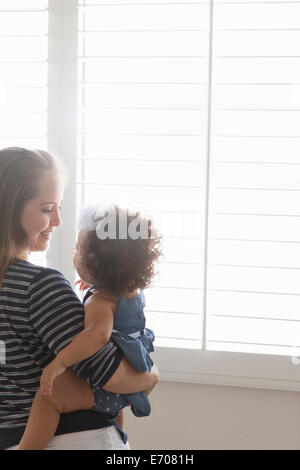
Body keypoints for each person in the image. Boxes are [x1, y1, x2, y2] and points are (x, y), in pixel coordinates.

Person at [0, 147, 159, 450]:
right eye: (47, 209)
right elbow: (108, 374)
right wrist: (151, 375)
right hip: (72, 439)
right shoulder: (40, 287)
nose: (58, 220)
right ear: (9, 209)